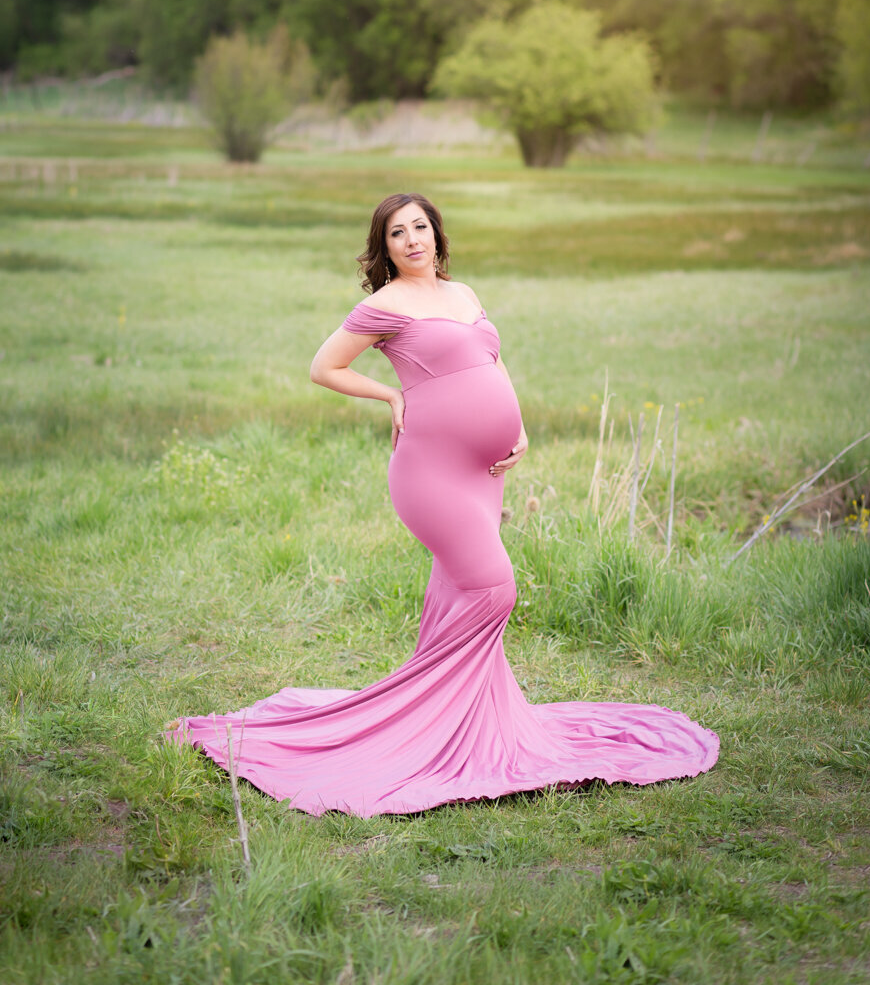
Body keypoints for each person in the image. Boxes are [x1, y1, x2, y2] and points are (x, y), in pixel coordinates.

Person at [166, 193, 719, 816]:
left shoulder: (464, 293)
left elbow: (490, 360)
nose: (411, 240)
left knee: (460, 594)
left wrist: (520, 427)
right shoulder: (384, 306)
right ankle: (422, 730)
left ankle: (462, 721)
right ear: (385, 247)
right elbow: (324, 367)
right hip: (429, 470)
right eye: (397, 233)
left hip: (485, 470)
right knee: (493, 587)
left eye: (420, 227)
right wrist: (389, 396)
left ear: (436, 234)